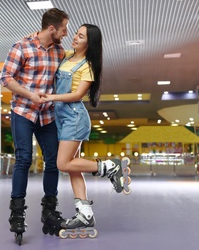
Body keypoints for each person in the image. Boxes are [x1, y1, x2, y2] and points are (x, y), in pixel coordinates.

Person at [40, 24, 131, 238]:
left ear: (89, 43)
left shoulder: (87, 66)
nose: (75, 38)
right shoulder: (67, 55)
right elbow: (48, 42)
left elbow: (76, 95)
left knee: (62, 163)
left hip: (74, 118)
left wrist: (52, 97)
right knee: (73, 168)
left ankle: (109, 166)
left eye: (80, 36)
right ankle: (85, 214)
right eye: (76, 34)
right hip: (61, 118)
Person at [0, 8, 69, 245]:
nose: (65, 33)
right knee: (24, 159)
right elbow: (6, 78)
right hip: (23, 112)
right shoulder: (21, 46)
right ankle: (17, 212)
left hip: (47, 114)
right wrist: (30, 95)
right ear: (51, 29)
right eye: (63, 29)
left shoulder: (60, 51)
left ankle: (49, 210)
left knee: (54, 161)